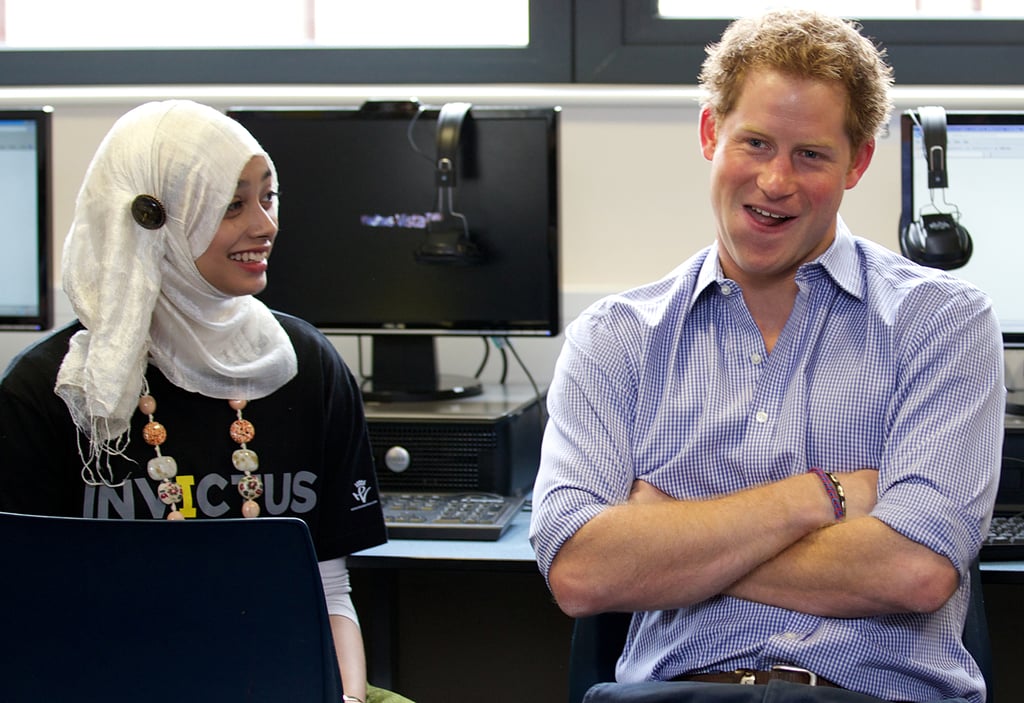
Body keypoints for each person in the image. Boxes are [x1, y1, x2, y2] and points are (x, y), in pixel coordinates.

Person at [530, 9, 1004, 703]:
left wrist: (668, 542)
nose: (776, 181)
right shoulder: (615, 339)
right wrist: (825, 496)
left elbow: (914, 570)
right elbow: (580, 570)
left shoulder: (942, 324)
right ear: (709, 134)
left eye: (810, 154)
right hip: (672, 694)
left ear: (858, 163)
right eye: (754, 142)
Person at [0, 100, 410, 703]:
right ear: (155, 221)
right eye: (231, 205)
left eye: (267, 198)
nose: (265, 225)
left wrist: (345, 697)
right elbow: (26, 617)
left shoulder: (307, 365)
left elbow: (328, 589)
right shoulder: (51, 392)